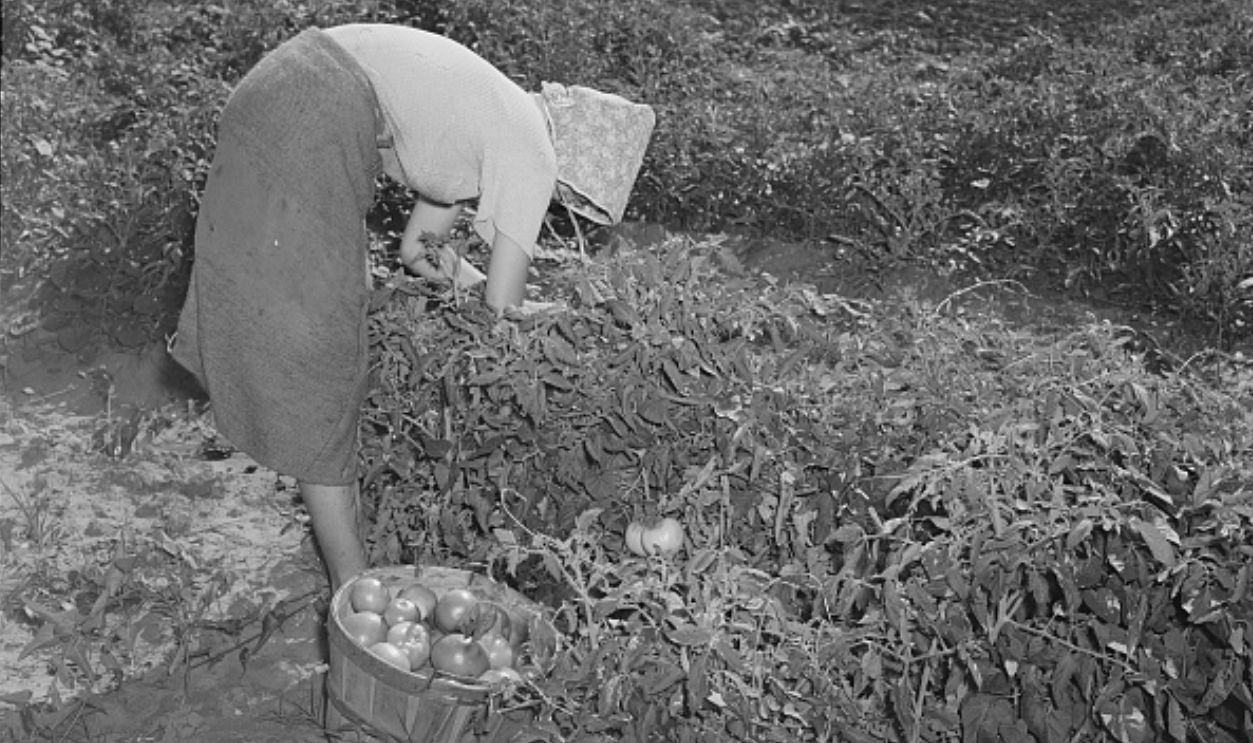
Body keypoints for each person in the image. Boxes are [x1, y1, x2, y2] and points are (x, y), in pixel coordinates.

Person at [171, 23, 655, 590]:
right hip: (315, 110)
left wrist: (492, 289)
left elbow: (419, 252)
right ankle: (354, 591)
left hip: (280, 82)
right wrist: (539, 315)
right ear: (574, 167)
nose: (556, 203)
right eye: (567, 199)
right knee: (325, 351)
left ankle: (351, 575)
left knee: (307, 321)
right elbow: (502, 310)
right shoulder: (533, 148)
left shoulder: (492, 118)